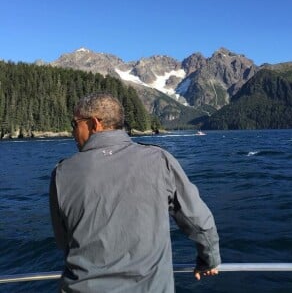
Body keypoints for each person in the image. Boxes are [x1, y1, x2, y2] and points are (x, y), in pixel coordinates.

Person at [49, 93, 221, 293]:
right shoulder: (159, 160)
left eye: (75, 123)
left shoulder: (61, 173)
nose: (72, 132)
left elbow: (63, 242)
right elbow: (199, 222)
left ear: (95, 123)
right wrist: (208, 259)